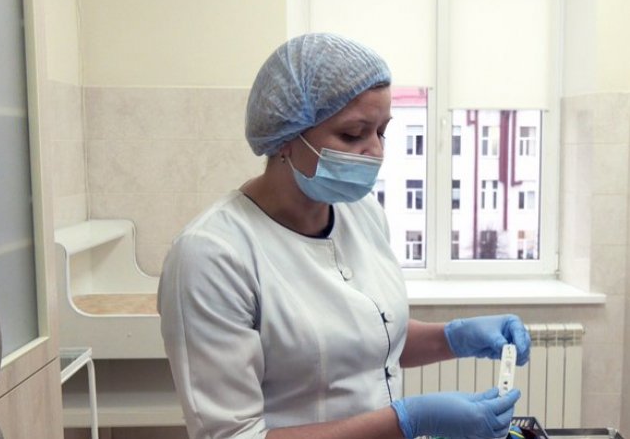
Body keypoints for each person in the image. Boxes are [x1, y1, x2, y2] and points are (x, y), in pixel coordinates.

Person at [158, 32, 531, 439]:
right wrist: (407, 420)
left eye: (381, 132)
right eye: (353, 134)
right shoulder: (212, 255)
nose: (376, 151)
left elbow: (363, 341)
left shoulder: (363, 214)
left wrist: (453, 338)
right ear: (286, 136)